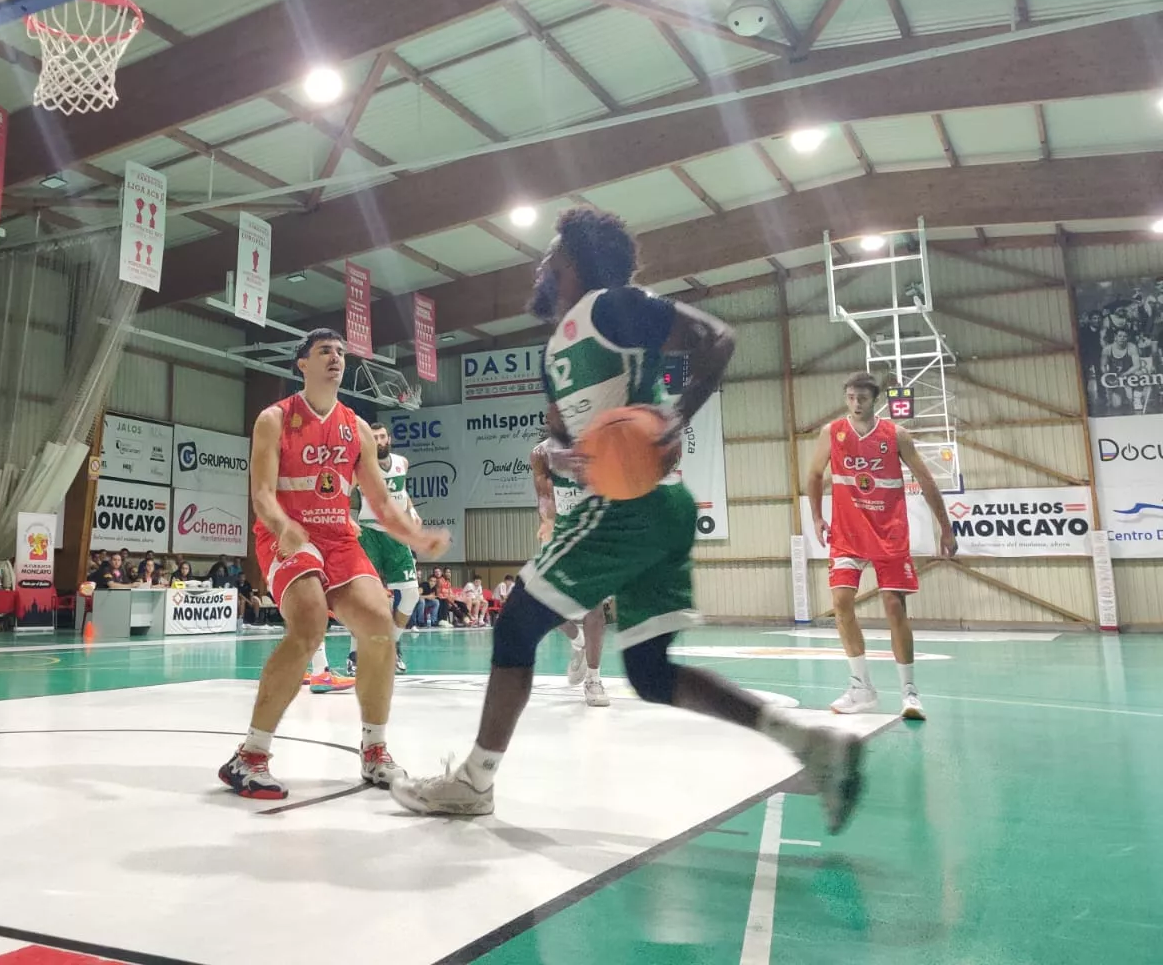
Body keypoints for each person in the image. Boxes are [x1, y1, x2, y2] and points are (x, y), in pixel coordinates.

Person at [391, 207, 864, 833]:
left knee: (513, 628)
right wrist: (563, 455)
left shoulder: (611, 306)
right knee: (649, 672)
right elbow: (563, 442)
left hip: (627, 507)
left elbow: (715, 339)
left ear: (573, 258)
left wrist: (677, 416)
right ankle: (812, 746)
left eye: (550, 252)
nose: (540, 263)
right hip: (655, 508)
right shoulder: (557, 345)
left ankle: (473, 783)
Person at [218, 328, 450, 800]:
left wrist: (417, 536)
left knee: (380, 625)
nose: (336, 358)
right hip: (288, 531)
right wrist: (283, 526)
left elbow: (383, 506)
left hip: (338, 535)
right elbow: (262, 494)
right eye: (324, 351)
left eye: (341, 352)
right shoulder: (274, 419)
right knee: (307, 626)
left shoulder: (357, 427)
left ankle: (374, 750)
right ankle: (250, 756)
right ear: (302, 364)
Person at [806, 371, 957, 721]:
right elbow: (814, 475)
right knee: (841, 603)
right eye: (851, 397)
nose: (856, 403)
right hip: (847, 534)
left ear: (875, 400)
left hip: (888, 532)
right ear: (846, 398)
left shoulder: (896, 435)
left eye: (863, 398)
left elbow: (926, 478)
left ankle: (909, 692)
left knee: (894, 607)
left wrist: (945, 528)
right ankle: (861, 687)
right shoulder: (832, 433)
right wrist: (816, 517)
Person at [533, 438, 611, 708]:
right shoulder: (541, 453)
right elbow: (543, 495)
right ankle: (578, 642)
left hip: (592, 531)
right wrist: (547, 521)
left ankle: (594, 678)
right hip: (558, 531)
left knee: (595, 607)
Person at [342, 424, 419, 676]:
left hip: (396, 535)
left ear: (389, 438)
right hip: (370, 534)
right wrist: (346, 517)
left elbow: (401, 491)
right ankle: (354, 655)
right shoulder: (361, 465)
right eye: (374, 438)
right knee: (364, 599)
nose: (379, 440)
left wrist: (412, 510)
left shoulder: (402, 463)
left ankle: (393, 647)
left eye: (382, 436)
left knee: (411, 595)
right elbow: (343, 492)